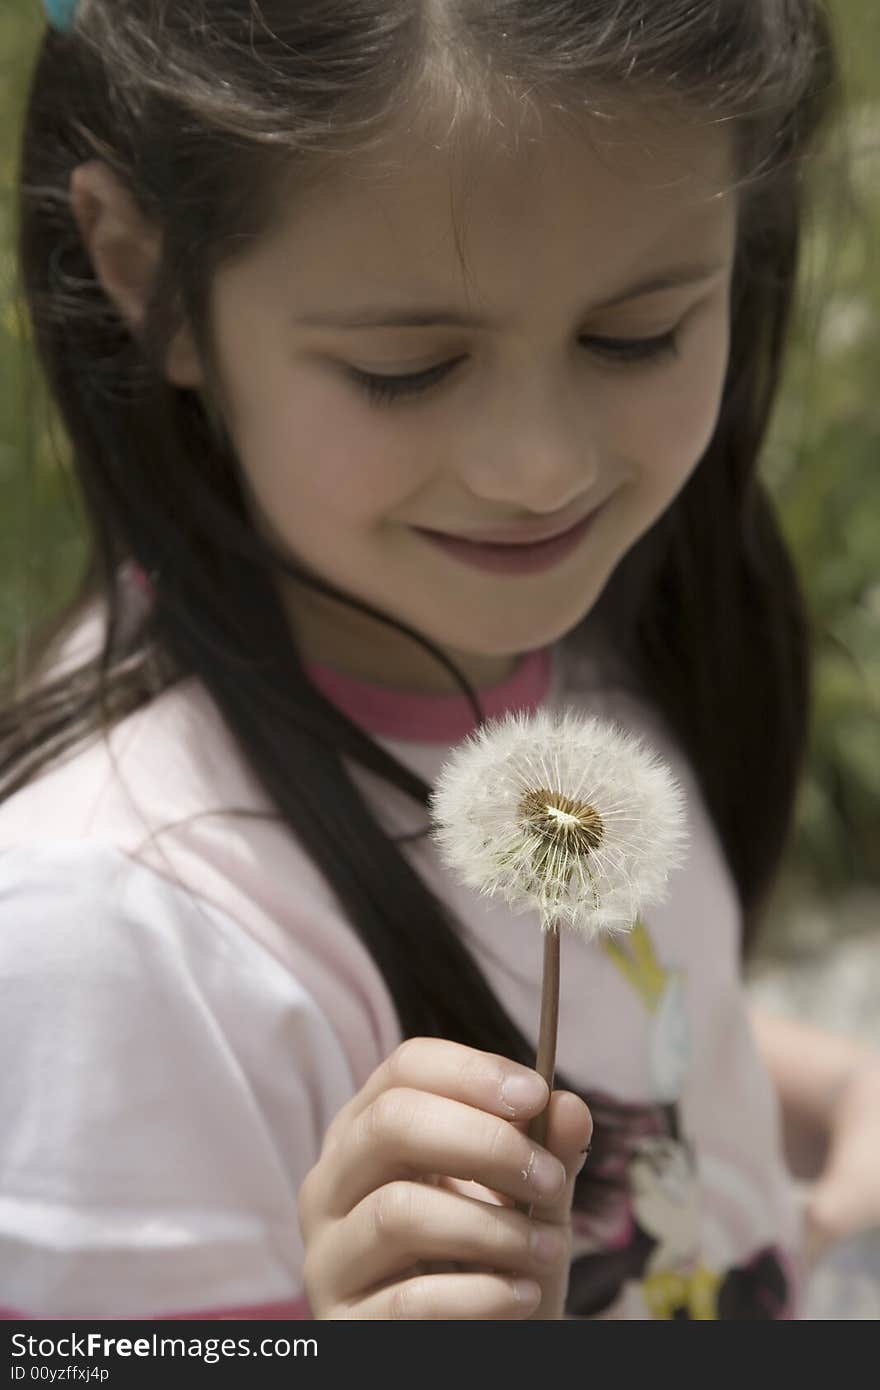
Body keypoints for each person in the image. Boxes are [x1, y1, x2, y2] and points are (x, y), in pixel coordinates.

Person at [0, 0, 877, 1322]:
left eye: (636, 334)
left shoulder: (576, 639)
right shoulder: (114, 934)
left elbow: (622, 1025)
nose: (541, 468)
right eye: (405, 368)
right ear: (140, 267)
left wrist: (818, 1086)